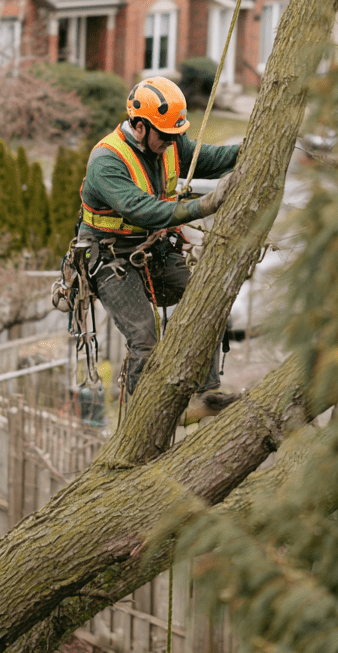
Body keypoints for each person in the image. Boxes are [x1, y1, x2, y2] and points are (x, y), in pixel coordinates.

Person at [77, 75, 240, 415]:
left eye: (175, 135)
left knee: (208, 301)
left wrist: (256, 147)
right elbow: (142, 209)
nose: (172, 142)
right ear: (139, 126)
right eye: (165, 135)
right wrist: (203, 206)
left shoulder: (171, 143)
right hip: (110, 256)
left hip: (155, 249)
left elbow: (211, 157)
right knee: (145, 341)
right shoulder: (107, 162)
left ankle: (203, 395)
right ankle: (141, 417)